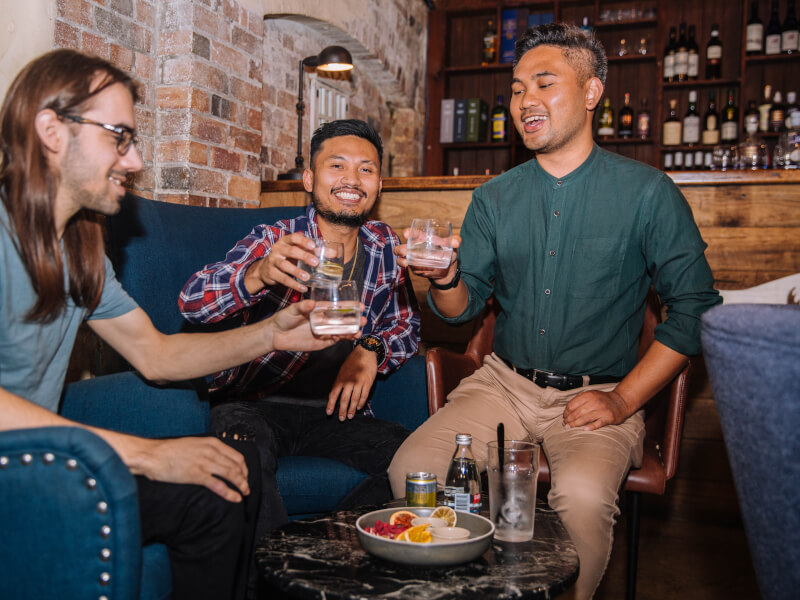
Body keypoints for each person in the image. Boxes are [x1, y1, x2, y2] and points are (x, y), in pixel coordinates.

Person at [0, 49, 352, 600]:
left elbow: (158, 355)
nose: (134, 160)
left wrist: (271, 334)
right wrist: (149, 453)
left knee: (217, 493)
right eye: (119, 136)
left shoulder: (79, 250)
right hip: (25, 470)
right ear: (51, 130)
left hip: (36, 468)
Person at [388, 23, 721, 599]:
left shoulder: (647, 193)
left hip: (599, 393)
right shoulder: (495, 197)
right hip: (502, 384)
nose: (525, 101)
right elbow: (461, 309)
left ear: (592, 92)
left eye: (545, 83)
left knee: (584, 499)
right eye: (517, 90)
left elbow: (694, 310)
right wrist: (444, 277)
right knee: (412, 468)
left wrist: (622, 400)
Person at [178, 119, 420, 535]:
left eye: (366, 169)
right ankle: (271, 577)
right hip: (252, 404)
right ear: (309, 179)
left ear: (379, 185)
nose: (352, 179)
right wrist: (258, 273)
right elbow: (192, 302)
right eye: (337, 166)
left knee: (416, 460)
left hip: (334, 414)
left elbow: (408, 325)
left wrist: (370, 349)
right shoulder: (278, 239)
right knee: (241, 460)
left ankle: (330, 546)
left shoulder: (384, 246)